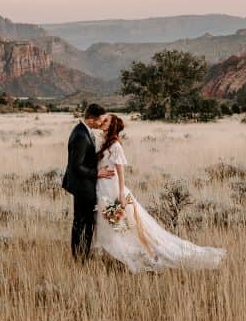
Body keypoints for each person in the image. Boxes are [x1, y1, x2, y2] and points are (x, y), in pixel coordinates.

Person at [92, 114, 226, 273]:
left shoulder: (115, 146)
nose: (102, 121)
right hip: (104, 190)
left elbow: (121, 172)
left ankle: (143, 258)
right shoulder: (104, 143)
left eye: (106, 120)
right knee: (113, 228)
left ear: (112, 125)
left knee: (122, 229)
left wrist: (121, 194)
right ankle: (122, 257)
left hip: (114, 193)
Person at [61, 103, 114, 260]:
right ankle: (80, 257)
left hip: (84, 185)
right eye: (100, 120)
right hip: (82, 187)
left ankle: (81, 255)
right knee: (82, 223)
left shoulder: (85, 131)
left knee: (83, 222)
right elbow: (76, 166)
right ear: (91, 119)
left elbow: (85, 159)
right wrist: (98, 173)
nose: (101, 123)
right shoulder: (80, 136)